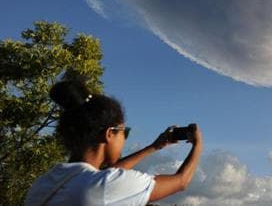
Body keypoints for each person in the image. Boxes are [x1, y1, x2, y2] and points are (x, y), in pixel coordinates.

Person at [25, 80, 203, 205]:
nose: (125, 138)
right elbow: (181, 181)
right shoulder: (101, 188)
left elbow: (108, 174)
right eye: (124, 132)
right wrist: (198, 145)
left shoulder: (45, 183)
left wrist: (154, 147)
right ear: (110, 134)